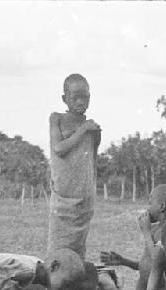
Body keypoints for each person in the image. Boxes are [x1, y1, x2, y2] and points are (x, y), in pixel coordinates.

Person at [48, 73, 101, 259]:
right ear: (64, 99)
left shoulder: (91, 127)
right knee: (57, 254)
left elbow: (91, 161)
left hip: (83, 201)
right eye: (75, 97)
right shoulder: (56, 119)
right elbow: (59, 149)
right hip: (64, 202)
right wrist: (84, 129)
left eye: (85, 97)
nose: (80, 102)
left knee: (78, 252)